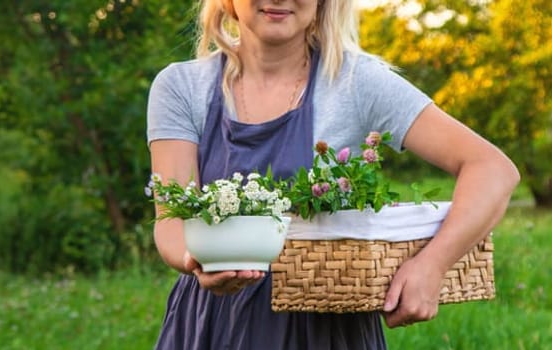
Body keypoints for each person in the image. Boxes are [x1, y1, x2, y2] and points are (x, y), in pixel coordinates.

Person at [145, 0, 519, 348]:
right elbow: (171, 221)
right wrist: (199, 260)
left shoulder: (358, 83)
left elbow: (493, 170)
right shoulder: (180, 87)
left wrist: (432, 265)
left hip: (327, 329)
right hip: (212, 324)